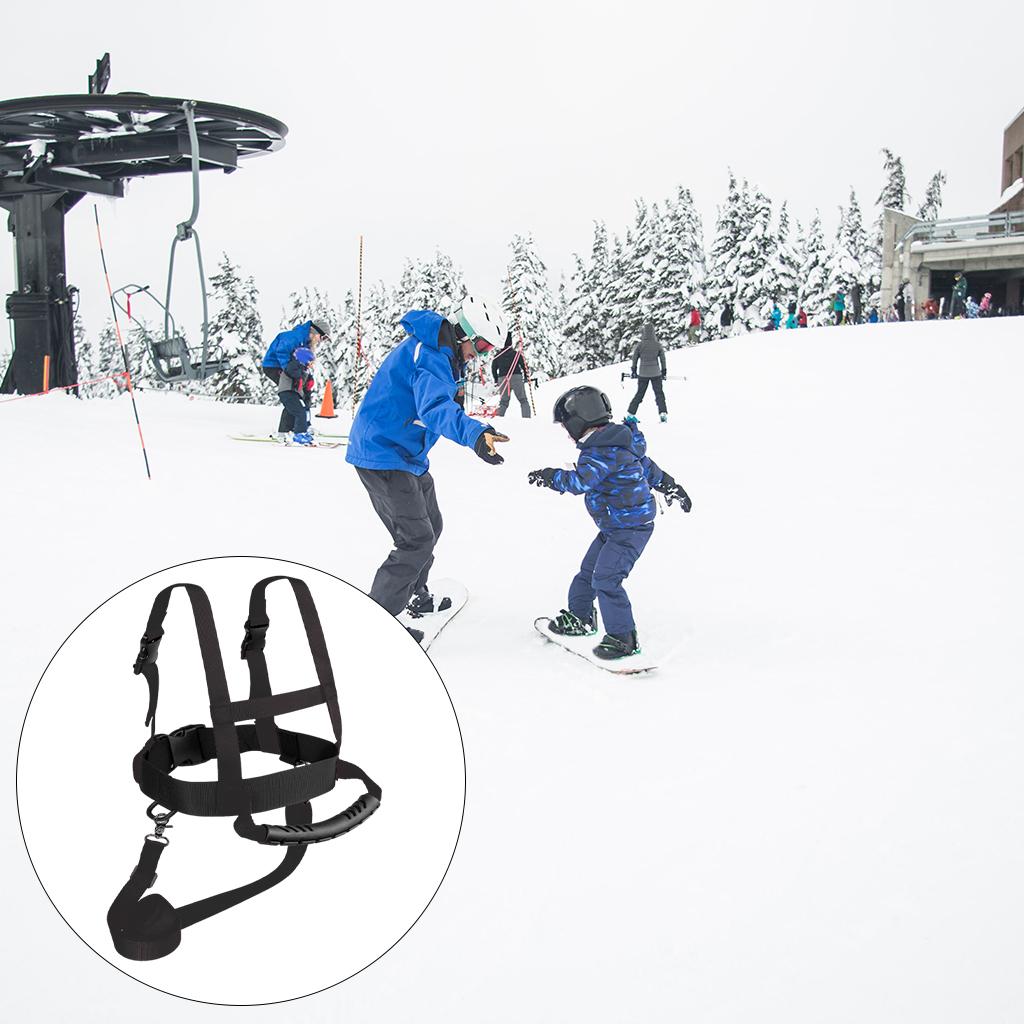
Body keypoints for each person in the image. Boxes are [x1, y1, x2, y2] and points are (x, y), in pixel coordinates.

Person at [345, 298, 510, 641]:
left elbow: (442, 405)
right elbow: (434, 408)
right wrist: (476, 434)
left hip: (406, 455)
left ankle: (415, 597)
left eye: (487, 350)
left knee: (430, 527)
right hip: (383, 454)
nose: (479, 355)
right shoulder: (431, 355)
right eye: (480, 345)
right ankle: (377, 625)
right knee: (415, 540)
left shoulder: (444, 355)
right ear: (464, 333)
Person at [527, 387, 690, 660]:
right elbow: (649, 469)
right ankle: (581, 618)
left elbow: (581, 481)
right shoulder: (619, 443)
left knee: (606, 579)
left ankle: (623, 637)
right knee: (588, 572)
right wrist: (671, 486)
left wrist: (550, 476)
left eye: (567, 426)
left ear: (579, 422)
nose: (567, 433)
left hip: (630, 529)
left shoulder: (601, 452)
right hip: (615, 527)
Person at [262, 320, 329, 436]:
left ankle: (292, 428)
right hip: (273, 366)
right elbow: (282, 352)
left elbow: (302, 360)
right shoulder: (295, 336)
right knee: (291, 395)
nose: (320, 341)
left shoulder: (306, 341)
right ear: (315, 332)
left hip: (288, 368)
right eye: (322, 337)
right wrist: (289, 369)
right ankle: (289, 430)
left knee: (297, 396)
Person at [627, 322, 668, 422]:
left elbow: (635, 358)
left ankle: (630, 414)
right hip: (656, 373)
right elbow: (663, 359)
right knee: (659, 394)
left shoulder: (640, 345)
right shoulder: (657, 345)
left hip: (643, 374)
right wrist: (664, 371)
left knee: (639, 394)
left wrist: (633, 370)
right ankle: (662, 414)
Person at [276, 346, 316, 444]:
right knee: (299, 411)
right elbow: (294, 373)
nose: (312, 364)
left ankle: (287, 431)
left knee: (297, 411)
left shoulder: (304, 369)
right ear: (304, 359)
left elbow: (304, 385)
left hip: (294, 393)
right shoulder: (294, 364)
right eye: (310, 361)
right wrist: (303, 374)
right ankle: (299, 433)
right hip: (287, 392)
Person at [492, 333, 532, 418]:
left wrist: (496, 379)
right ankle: (527, 419)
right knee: (523, 400)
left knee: (503, 402)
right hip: (516, 377)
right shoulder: (516, 354)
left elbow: (493, 368)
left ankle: (499, 419)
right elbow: (524, 366)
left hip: (502, 378)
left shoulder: (498, 355)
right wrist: (526, 377)